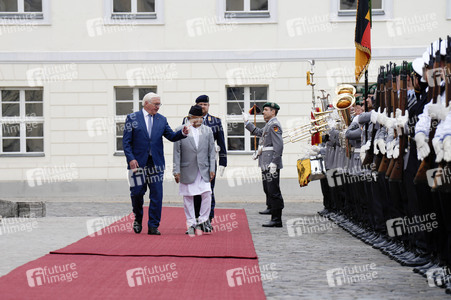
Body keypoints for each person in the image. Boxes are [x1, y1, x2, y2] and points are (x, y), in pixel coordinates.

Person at [123, 92, 188, 235]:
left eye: (159, 104)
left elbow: (171, 136)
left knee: (157, 195)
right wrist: (131, 159)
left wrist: (182, 133)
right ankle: (138, 219)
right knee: (137, 193)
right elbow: (126, 143)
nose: (158, 107)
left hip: (156, 164)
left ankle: (153, 225)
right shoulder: (132, 118)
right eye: (156, 104)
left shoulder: (162, 120)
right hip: (137, 165)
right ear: (146, 104)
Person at [182, 95, 227, 223]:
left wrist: (223, 161)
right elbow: (183, 140)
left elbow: (222, 142)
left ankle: (208, 218)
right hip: (191, 163)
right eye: (200, 104)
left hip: (208, 162)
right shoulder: (187, 119)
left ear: (208, 106)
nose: (202, 107)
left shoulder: (215, 121)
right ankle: (196, 217)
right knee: (193, 191)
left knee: (208, 191)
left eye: (205, 104)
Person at [174, 105, 216, 235]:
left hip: (203, 169)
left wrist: (212, 168)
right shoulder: (180, 130)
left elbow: (211, 151)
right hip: (187, 169)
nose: (200, 121)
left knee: (207, 194)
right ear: (190, 118)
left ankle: (204, 220)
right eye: (196, 118)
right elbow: (177, 152)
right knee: (188, 197)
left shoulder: (208, 130)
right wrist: (176, 171)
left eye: (201, 118)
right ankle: (191, 223)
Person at [242, 102, 284, 227]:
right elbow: (259, 132)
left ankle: (277, 219)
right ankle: (272, 210)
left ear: (273, 112)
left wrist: (275, 162)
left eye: (266, 110)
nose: (263, 112)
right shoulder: (269, 125)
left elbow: (279, 145)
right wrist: (247, 123)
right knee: (268, 189)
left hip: (271, 163)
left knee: (274, 190)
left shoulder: (274, 125)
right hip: (266, 162)